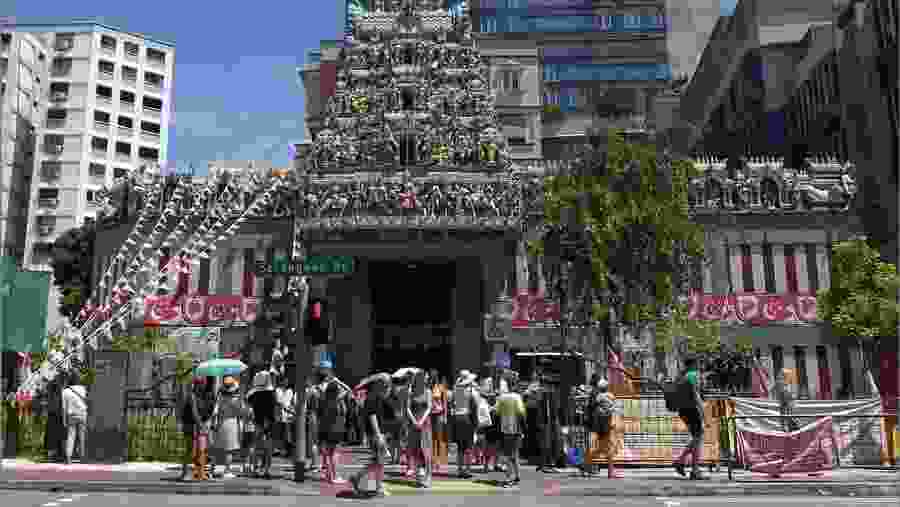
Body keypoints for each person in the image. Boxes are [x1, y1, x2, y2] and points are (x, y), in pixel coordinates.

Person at [348, 373, 393, 498]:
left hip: (377, 433)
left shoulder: (376, 396)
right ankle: (369, 483)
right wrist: (378, 435)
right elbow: (372, 416)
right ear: (379, 385)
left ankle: (362, 479)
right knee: (379, 461)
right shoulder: (372, 397)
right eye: (385, 385)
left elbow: (386, 397)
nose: (387, 387)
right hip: (375, 434)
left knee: (379, 461)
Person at [673, 357, 708, 480]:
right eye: (698, 363)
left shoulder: (681, 375)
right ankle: (684, 463)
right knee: (698, 438)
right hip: (692, 409)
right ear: (694, 364)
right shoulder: (693, 375)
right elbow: (696, 394)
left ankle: (692, 468)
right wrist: (703, 412)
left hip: (682, 410)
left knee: (697, 438)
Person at [317, 373, 353, 484]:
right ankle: (334, 476)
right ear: (336, 391)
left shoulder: (324, 398)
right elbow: (348, 390)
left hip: (324, 427)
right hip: (334, 428)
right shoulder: (336, 399)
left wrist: (332, 382)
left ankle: (329, 475)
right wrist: (338, 381)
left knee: (328, 453)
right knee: (333, 453)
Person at [586, 377, 623, 479]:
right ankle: (610, 471)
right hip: (607, 424)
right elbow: (614, 409)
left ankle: (589, 467)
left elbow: (592, 406)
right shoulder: (611, 396)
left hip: (599, 425)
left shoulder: (597, 397)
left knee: (595, 447)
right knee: (608, 448)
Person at [494, 371, 526, 488]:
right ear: (514, 385)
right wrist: (524, 430)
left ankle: (509, 478)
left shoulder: (501, 398)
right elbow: (522, 414)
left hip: (505, 429)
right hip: (516, 429)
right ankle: (516, 476)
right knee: (515, 454)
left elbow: (496, 413)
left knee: (508, 455)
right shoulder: (517, 397)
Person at [210, 375, 246, 479]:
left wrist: (214, 422)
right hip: (232, 422)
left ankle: (212, 469)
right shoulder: (236, 399)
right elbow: (242, 411)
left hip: (221, 422)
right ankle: (227, 470)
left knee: (217, 448)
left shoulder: (220, 397)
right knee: (229, 450)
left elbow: (215, 411)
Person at [247, 371, 277, 478]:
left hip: (257, 422)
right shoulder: (271, 394)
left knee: (255, 446)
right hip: (268, 422)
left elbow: (249, 406)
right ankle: (266, 470)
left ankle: (255, 469)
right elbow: (273, 409)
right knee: (268, 448)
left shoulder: (253, 394)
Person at [449, 369, 479, 478]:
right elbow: (475, 406)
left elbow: (451, 403)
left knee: (460, 447)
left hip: (457, 418)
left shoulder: (455, 389)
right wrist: (476, 422)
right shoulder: (471, 391)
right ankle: (467, 470)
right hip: (467, 418)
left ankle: (460, 469)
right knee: (468, 446)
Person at [406, 370, 433, 488]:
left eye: (423, 379)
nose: (423, 380)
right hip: (414, 422)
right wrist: (414, 421)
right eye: (420, 378)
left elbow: (429, 407)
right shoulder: (410, 392)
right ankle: (417, 477)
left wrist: (421, 421)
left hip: (425, 422)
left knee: (426, 450)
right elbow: (407, 408)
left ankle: (428, 477)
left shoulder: (428, 391)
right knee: (416, 450)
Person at [61, 372, 88, 465]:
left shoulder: (65, 391)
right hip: (82, 414)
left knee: (71, 436)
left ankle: (68, 458)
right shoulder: (83, 389)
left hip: (71, 415)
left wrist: (64, 420)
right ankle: (82, 457)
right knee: (82, 437)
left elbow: (64, 408)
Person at [429, 371, 450, 473]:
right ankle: (432, 460)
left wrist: (445, 416)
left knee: (438, 437)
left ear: (436, 377)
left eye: (434, 376)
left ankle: (438, 460)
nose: (432, 378)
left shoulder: (441, 388)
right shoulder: (428, 387)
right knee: (431, 438)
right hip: (429, 415)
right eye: (431, 376)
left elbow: (445, 403)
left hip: (439, 415)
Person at [274, 376, 295, 457]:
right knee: (279, 432)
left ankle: (287, 450)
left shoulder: (290, 391)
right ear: (281, 382)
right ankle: (279, 449)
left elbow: (291, 402)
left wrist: (291, 410)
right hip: (279, 413)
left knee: (287, 433)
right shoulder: (277, 390)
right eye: (284, 381)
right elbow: (278, 401)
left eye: (287, 381)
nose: (286, 383)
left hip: (288, 414)